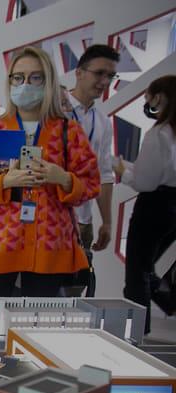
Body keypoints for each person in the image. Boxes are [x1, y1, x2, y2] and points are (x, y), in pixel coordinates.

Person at [0, 46, 100, 306]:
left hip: (50, 248)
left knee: (37, 325)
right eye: (18, 77)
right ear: (10, 81)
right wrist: (4, 182)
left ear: (48, 82)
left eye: (35, 77)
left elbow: (91, 184)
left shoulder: (68, 132)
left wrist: (63, 178)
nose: (25, 84)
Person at [115, 75, 176, 334]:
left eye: (148, 95)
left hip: (154, 207)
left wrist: (122, 171)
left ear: (159, 96)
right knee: (146, 266)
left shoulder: (158, 134)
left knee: (137, 272)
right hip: (172, 208)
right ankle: (167, 300)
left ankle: (137, 333)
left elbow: (144, 182)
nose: (147, 100)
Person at [68, 45, 122, 295]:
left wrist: (107, 222)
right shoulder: (54, 108)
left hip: (83, 221)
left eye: (110, 76)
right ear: (79, 72)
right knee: (40, 291)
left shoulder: (102, 121)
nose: (104, 81)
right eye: (99, 73)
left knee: (74, 291)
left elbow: (104, 174)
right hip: (52, 216)